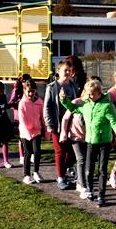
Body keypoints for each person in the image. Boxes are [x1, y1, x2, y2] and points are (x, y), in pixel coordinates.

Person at [60, 78, 116, 207]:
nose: (90, 96)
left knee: (102, 170)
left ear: (99, 92)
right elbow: (73, 108)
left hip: (104, 142)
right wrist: (64, 100)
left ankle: (101, 195)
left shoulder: (107, 106)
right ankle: (89, 190)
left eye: (93, 94)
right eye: (88, 94)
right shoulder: (86, 105)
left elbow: (114, 121)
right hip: (90, 141)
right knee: (89, 169)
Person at [44, 60, 78, 189]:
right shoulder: (52, 87)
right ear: (58, 71)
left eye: (70, 70)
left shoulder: (74, 87)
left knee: (72, 152)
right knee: (60, 151)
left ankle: (67, 168)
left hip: (72, 124)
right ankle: (60, 178)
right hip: (57, 124)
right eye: (65, 70)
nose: (68, 73)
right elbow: (47, 107)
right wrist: (50, 124)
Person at [60, 87, 88, 197]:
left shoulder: (93, 105)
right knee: (81, 159)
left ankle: (80, 180)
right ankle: (82, 185)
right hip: (75, 136)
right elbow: (65, 119)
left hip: (88, 137)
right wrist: (63, 133)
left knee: (86, 160)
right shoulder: (76, 102)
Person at [18, 79, 45, 184]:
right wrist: (27, 133)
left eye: (32, 91)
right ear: (24, 90)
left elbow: (42, 117)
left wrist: (45, 128)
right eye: (28, 91)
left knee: (37, 151)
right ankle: (26, 175)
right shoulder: (22, 103)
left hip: (36, 131)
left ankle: (36, 172)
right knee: (28, 153)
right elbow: (22, 120)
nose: (30, 93)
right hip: (25, 133)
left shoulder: (39, 102)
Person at [8, 73, 32, 165]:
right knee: (22, 137)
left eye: (27, 81)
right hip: (19, 115)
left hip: (29, 114)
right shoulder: (16, 89)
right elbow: (11, 102)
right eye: (24, 81)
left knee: (30, 135)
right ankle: (22, 156)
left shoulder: (31, 89)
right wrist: (19, 102)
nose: (26, 83)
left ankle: (30, 154)